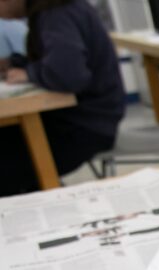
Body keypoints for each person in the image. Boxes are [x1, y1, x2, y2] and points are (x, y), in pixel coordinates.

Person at [0, 0, 124, 196]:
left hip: (83, 128)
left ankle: (44, 203)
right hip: (82, 120)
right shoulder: (53, 9)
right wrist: (18, 64)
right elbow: (54, 59)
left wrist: (30, 73)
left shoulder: (55, 13)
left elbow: (69, 75)